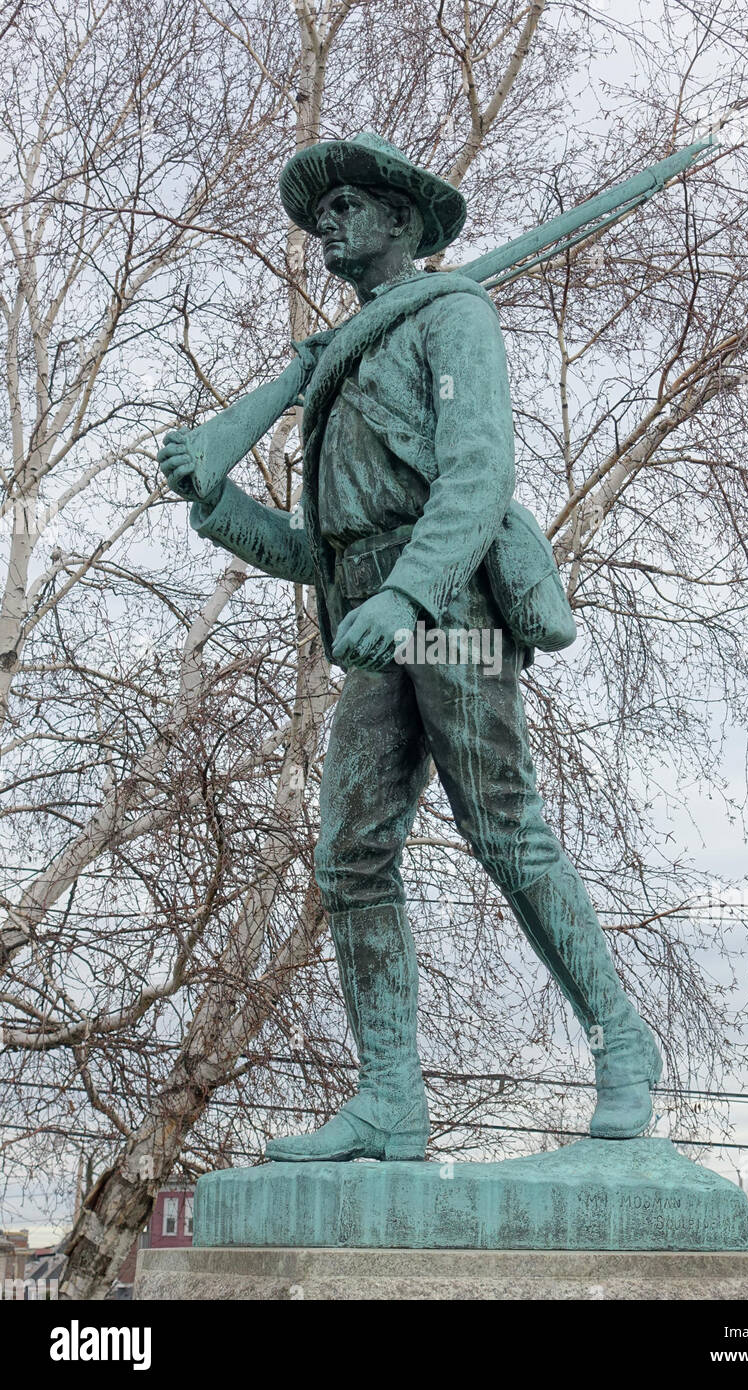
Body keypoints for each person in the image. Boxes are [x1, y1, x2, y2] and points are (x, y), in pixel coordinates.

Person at [158, 132, 661, 1162]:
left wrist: (404, 595)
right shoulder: (337, 367)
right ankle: (390, 1096)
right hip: (380, 616)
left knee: (502, 824)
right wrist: (216, 502)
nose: (326, 223)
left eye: (346, 205)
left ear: (402, 220)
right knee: (348, 851)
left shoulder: (453, 316)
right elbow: (316, 553)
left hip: (452, 612)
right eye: (320, 212)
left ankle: (624, 1045)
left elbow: (476, 482)